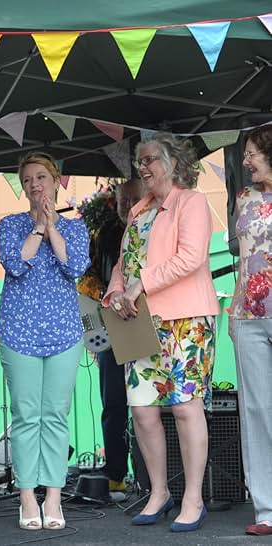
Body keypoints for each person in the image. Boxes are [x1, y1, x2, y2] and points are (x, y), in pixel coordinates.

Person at [104, 133, 219, 532]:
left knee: (187, 408)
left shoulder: (193, 202)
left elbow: (191, 257)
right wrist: (117, 290)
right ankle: (159, 492)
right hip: (140, 322)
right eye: (140, 161)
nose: (143, 167)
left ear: (174, 162)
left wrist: (141, 284)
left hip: (186, 318)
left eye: (151, 159)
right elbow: (124, 262)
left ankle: (193, 497)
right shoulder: (138, 211)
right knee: (142, 410)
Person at [0, 152, 89, 531]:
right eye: (29, 180)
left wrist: (52, 227)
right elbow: (15, 263)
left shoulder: (75, 228)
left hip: (64, 332)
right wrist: (37, 229)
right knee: (25, 415)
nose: (36, 185)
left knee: (54, 414)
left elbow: (75, 266)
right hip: (19, 331)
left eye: (42, 178)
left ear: (56, 181)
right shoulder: (10, 224)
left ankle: (53, 495)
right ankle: (26, 497)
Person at [83, 178, 144, 493]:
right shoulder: (105, 234)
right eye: (123, 201)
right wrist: (94, 322)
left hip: (145, 318)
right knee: (113, 402)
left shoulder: (152, 226)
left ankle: (148, 476)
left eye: (133, 199)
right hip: (110, 319)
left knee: (146, 401)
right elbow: (87, 277)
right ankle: (116, 472)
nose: (128, 206)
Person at [228, 125, 272, 537]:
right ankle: (266, 509)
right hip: (248, 312)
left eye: (252, 153)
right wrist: (232, 307)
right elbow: (244, 255)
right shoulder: (244, 198)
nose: (246, 160)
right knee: (256, 408)